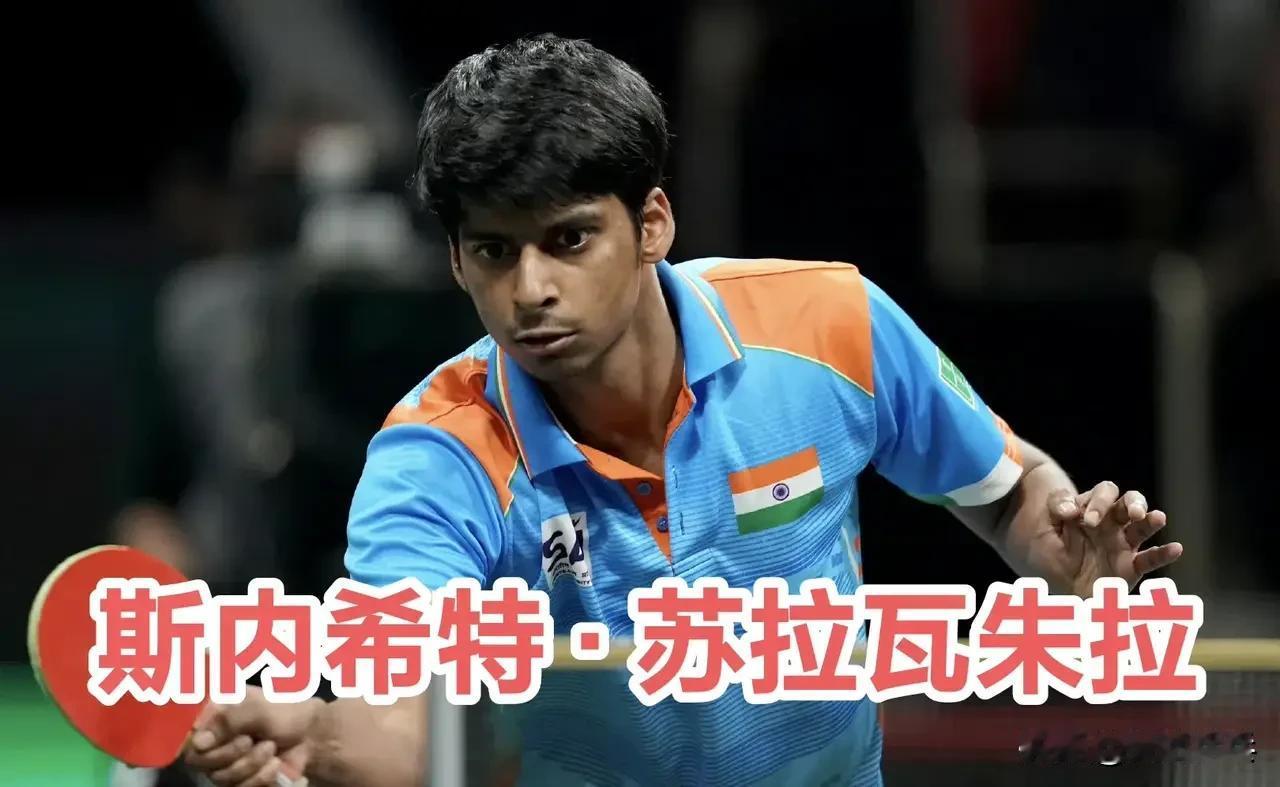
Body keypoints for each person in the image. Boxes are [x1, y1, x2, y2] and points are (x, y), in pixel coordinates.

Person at [183, 33, 1183, 787]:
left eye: (568, 240)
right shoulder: (434, 459)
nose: (530, 289)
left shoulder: (827, 324)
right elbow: (401, 717)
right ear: (455, 259)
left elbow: (1004, 490)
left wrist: (1061, 558)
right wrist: (313, 734)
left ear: (651, 222)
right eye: (493, 250)